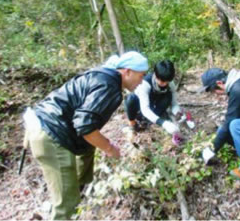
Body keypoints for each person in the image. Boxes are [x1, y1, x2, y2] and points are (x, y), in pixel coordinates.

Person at [24, 51, 148, 219]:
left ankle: (78, 190)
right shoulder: (109, 87)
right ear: (127, 71)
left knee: (88, 147)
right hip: (52, 133)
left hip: (45, 123)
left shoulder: (101, 76)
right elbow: (85, 125)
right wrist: (110, 148)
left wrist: (102, 144)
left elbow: (84, 126)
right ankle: (71, 201)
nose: (141, 82)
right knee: (66, 208)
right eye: (141, 76)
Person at [124, 60, 183, 144]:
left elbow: (174, 103)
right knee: (131, 99)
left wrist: (177, 113)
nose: (165, 84)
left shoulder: (170, 84)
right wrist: (164, 123)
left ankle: (153, 119)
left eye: (167, 81)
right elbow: (145, 109)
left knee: (168, 95)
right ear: (155, 75)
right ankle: (133, 124)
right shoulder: (144, 84)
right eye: (162, 81)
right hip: (141, 106)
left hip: (156, 103)